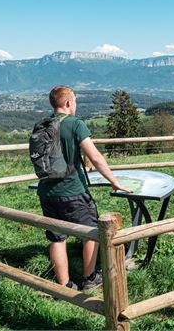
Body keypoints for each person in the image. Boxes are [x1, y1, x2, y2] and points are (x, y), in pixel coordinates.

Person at [37, 86, 131, 290]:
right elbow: (95, 156)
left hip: (46, 191)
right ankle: (89, 278)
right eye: (75, 101)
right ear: (69, 103)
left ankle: (64, 284)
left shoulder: (43, 125)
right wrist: (114, 180)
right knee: (92, 231)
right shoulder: (75, 124)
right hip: (72, 190)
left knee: (57, 237)